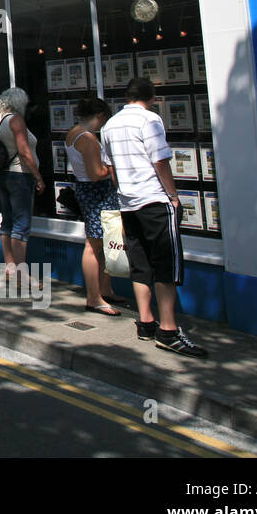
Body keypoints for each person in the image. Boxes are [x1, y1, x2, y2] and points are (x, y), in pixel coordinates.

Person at [100, 78, 207, 357]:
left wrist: (124, 191)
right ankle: (169, 331)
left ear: (126, 96)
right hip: (154, 200)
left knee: (140, 263)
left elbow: (110, 167)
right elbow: (160, 160)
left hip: (128, 203)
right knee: (166, 265)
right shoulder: (150, 120)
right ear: (152, 96)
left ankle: (146, 323)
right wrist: (172, 195)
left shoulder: (109, 125)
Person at [65, 97, 125, 316]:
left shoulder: (73, 132)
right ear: (99, 116)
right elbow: (96, 174)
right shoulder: (88, 139)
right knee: (94, 245)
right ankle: (94, 297)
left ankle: (105, 289)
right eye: (103, 120)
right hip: (96, 193)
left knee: (105, 244)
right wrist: (113, 166)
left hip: (86, 191)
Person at [0, 87, 44, 274]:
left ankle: (10, 267)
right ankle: (20, 273)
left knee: (7, 221)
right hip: (20, 174)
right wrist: (38, 177)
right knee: (21, 224)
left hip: (1, 174)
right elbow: (24, 152)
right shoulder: (15, 120)